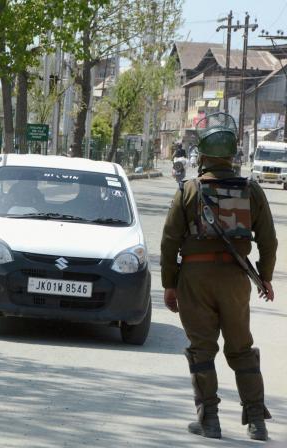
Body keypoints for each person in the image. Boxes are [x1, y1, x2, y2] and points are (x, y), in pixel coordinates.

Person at [160, 112, 277, 441]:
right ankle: (256, 420)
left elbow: (169, 241)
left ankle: (209, 419)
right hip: (236, 279)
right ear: (232, 155)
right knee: (241, 348)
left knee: (202, 350)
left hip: (195, 280)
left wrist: (170, 285)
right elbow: (268, 240)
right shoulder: (251, 190)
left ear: (202, 155)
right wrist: (264, 277)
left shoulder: (189, 190)